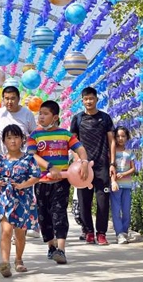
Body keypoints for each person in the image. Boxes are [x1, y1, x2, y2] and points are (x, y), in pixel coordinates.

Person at [28, 100, 88, 265]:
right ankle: (51, 246)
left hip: (61, 181)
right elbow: (32, 156)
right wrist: (49, 167)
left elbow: (80, 148)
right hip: (41, 182)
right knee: (44, 216)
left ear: (55, 117)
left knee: (59, 212)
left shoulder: (66, 135)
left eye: (45, 114)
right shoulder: (34, 136)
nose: (41, 117)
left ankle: (61, 249)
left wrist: (83, 161)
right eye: (40, 113)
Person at [0, 124, 41, 278]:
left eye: (16, 137)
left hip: (23, 201)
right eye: (9, 138)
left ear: (22, 140)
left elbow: (36, 176)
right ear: (4, 141)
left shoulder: (29, 159)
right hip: (6, 200)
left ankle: (18, 259)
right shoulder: (0, 159)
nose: (12, 141)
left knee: (20, 234)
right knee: (6, 231)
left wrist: (23, 185)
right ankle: (5, 263)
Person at [71, 86, 116, 246]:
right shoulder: (77, 119)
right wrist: (78, 162)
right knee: (84, 201)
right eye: (86, 99)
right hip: (84, 167)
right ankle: (88, 231)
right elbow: (73, 143)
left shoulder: (105, 118)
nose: (89, 101)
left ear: (96, 99)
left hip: (102, 166)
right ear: (82, 101)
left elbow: (112, 141)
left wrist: (112, 163)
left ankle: (102, 233)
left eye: (91, 98)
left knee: (103, 201)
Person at [0, 86, 36, 157]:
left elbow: (34, 135)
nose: (9, 102)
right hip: (5, 158)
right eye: (7, 99)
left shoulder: (27, 114)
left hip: (24, 158)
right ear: (3, 99)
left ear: (18, 99)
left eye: (13, 98)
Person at [110, 126, 136, 244]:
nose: (120, 138)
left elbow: (133, 169)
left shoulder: (129, 152)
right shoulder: (112, 152)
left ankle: (124, 231)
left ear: (127, 137)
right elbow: (110, 168)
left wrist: (123, 174)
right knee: (116, 210)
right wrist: (113, 181)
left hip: (127, 185)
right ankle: (119, 233)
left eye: (123, 136)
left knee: (126, 210)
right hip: (116, 185)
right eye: (118, 136)